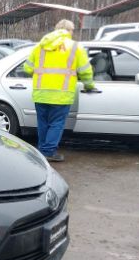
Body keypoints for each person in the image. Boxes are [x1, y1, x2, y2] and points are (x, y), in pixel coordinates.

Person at [24, 19, 95, 162]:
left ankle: (43, 150)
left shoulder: (40, 46)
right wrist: (89, 85)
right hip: (62, 94)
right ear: (69, 31)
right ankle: (49, 152)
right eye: (73, 30)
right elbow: (85, 71)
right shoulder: (75, 47)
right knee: (56, 123)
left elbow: (27, 68)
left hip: (41, 92)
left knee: (43, 123)